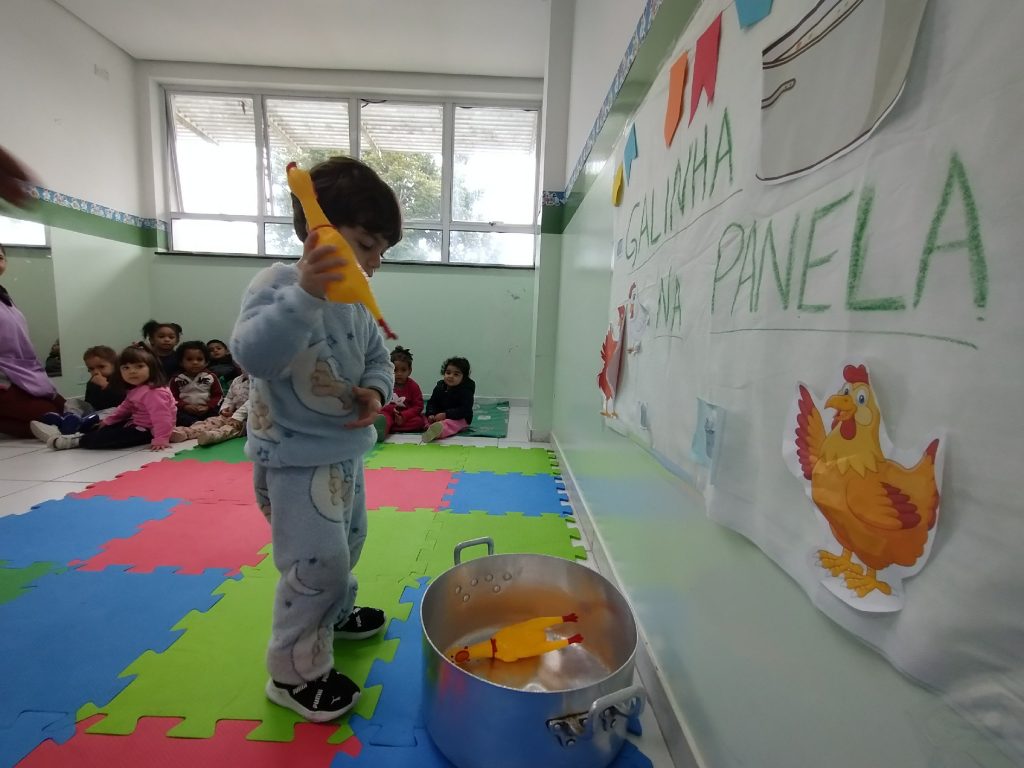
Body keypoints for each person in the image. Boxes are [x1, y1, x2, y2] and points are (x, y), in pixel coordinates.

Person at [230, 155, 402, 723]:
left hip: (343, 453)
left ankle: (333, 617)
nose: (374, 262)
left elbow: (378, 359)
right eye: (367, 244)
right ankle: (294, 674)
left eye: (381, 251)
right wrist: (305, 294)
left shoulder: (355, 300)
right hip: (294, 458)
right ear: (318, 228)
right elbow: (254, 357)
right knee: (316, 564)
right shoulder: (278, 284)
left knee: (348, 544)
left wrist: (375, 391)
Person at [31, 343, 175, 451]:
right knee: (101, 427)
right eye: (126, 368)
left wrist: (161, 439)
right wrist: (108, 421)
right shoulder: (136, 388)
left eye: (139, 366)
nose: (132, 371)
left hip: (148, 430)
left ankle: (75, 440)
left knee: (108, 438)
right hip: (134, 423)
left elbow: (162, 418)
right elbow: (124, 407)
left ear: (152, 368)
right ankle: (65, 429)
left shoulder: (154, 392)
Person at [0, 243, 66, 438]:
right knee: (49, 417)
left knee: (64, 408)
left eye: (0, 258)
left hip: (20, 372)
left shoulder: (5, 298)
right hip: (4, 377)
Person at [37, 345, 126, 435]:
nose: (96, 371)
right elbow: (88, 402)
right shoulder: (91, 383)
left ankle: (80, 424)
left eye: (101, 367)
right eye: (91, 369)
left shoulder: (120, 380)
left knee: (112, 411)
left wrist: (106, 386)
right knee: (74, 402)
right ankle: (69, 419)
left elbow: (124, 400)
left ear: (114, 366)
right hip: (93, 411)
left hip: (110, 413)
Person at [170, 370, 249, 446]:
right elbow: (229, 398)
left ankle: (211, 436)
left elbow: (252, 402)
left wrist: (237, 417)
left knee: (229, 429)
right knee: (211, 422)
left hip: (247, 419)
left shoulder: (256, 382)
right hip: (231, 414)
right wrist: (225, 409)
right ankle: (185, 432)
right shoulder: (237, 380)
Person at [373, 345, 426, 442]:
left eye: (403, 370)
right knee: (383, 417)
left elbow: (418, 406)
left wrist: (404, 416)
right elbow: (381, 402)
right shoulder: (387, 384)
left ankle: (389, 427)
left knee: (419, 421)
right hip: (388, 414)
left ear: (409, 371)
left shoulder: (413, 386)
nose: (399, 374)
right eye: (395, 370)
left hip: (405, 416)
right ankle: (382, 430)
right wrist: (392, 410)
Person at [422, 356, 475, 443]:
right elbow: (432, 402)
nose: (451, 376)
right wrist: (431, 413)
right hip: (439, 416)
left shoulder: (466, 391)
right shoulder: (440, 387)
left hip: (460, 418)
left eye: (456, 374)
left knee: (451, 423)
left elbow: (465, 409)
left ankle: (438, 432)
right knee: (422, 416)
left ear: (463, 378)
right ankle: (430, 427)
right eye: (448, 373)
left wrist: (446, 414)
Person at [170, 341, 223, 426]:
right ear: (181, 362)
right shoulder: (176, 379)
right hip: (185, 411)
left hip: (207, 409)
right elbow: (172, 397)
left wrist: (208, 406)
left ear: (206, 362)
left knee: (218, 412)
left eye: (199, 359)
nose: (195, 362)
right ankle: (195, 424)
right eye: (189, 359)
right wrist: (184, 406)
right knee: (175, 413)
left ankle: (208, 425)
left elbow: (218, 395)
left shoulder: (211, 377)